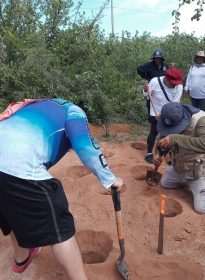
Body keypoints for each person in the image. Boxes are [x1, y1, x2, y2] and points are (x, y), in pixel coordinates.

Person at [0, 98, 124, 279]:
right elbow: (85, 146)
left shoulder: (33, 104)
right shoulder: (74, 113)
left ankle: (22, 259)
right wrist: (110, 179)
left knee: (10, 213)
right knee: (61, 230)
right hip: (21, 168)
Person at [143, 67, 183, 164]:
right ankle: (149, 153)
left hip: (170, 113)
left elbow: (175, 104)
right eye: (173, 83)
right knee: (154, 131)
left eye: (176, 83)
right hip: (155, 112)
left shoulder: (179, 86)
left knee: (169, 134)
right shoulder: (155, 81)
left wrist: (164, 115)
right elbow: (146, 96)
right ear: (166, 78)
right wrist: (145, 90)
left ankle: (165, 154)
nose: (175, 85)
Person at [137, 49, 169, 116]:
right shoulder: (149, 65)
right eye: (155, 58)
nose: (157, 60)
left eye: (158, 58)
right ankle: (152, 119)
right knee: (151, 103)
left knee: (162, 103)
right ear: (154, 58)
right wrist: (147, 77)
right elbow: (139, 69)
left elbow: (168, 75)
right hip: (152, 88)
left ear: (161, 59)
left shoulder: (165, 66)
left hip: (163, 89)